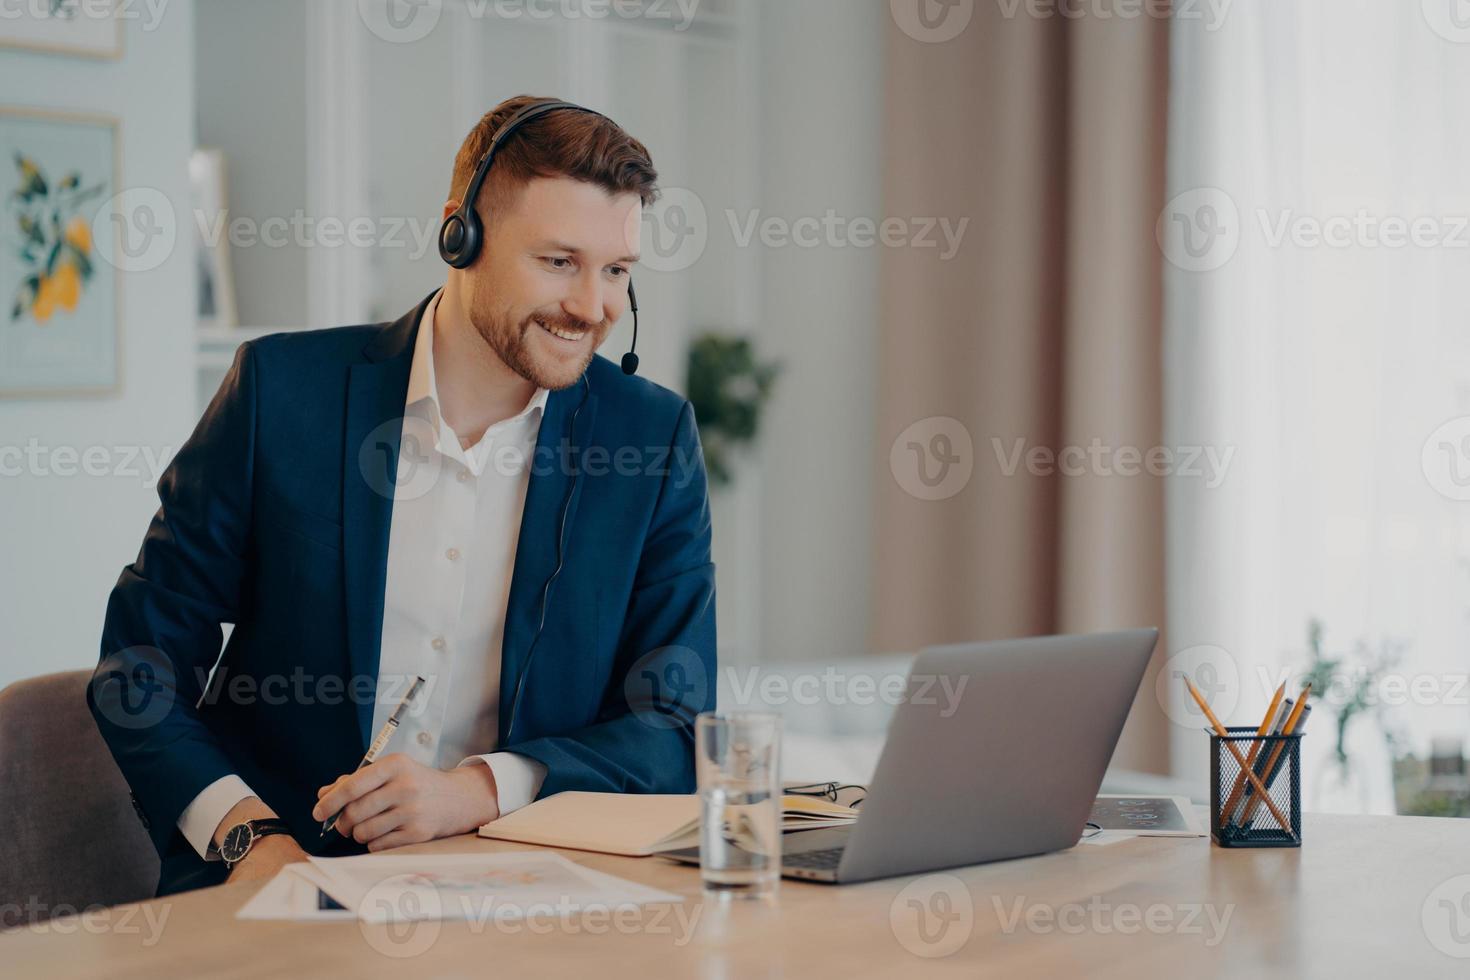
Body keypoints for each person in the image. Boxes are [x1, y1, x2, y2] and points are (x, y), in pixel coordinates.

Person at [88, 95, 716, 895]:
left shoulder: (652, 440)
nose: (593, 308)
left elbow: (674, 723)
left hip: (529, 898)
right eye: (559, 262)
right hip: (280, 884)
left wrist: (477, 791)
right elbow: (138, 669)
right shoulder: (282, 396)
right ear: (461, 234)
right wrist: (251, 843)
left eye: (617, 271)